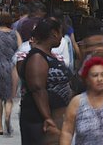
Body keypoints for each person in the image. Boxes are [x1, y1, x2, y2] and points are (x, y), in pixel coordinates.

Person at [19, 17, 72, 145]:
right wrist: (47, 118)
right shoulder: (37, 56)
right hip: (40, 120)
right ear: (54, 33)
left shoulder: (49, 55)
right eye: (61, 33)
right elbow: (38, 89)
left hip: (55, 116)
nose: (61, 37)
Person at [60, 56, 103, 145]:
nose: (100, 79)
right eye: (95, 75)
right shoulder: (77, 102)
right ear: (87, 79)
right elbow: (67, 132)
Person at [0, 13, 22, 136]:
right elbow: (20, 50)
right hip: (11, 67)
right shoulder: (15, 34)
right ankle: (8, 115)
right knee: (9, 97)